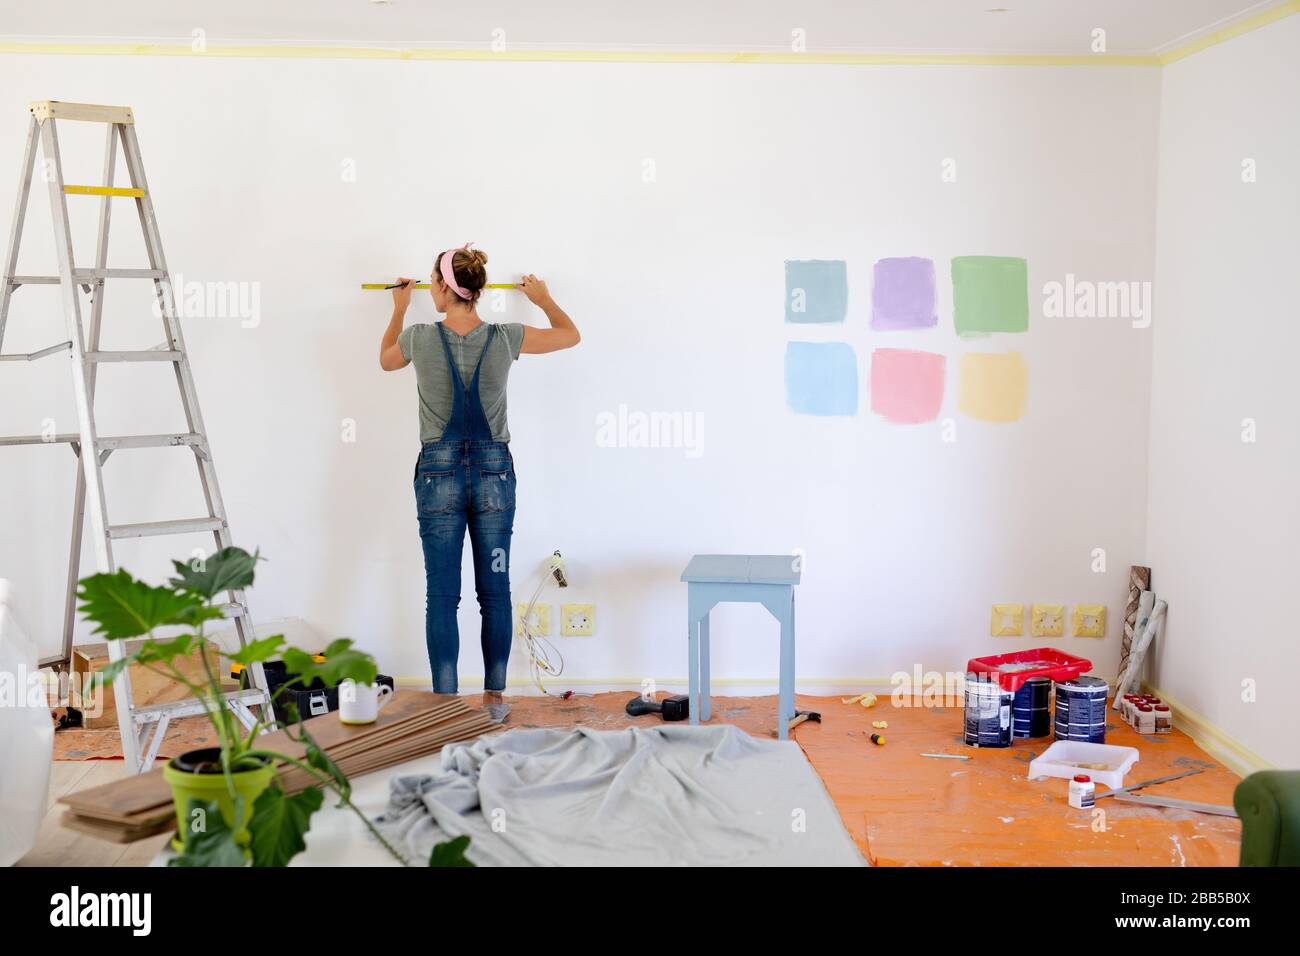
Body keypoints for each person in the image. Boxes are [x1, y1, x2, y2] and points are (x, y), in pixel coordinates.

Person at [379, 244, 580, 719]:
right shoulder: (507, 336)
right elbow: (570, 336)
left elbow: (386, 360)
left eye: (432, 282)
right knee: (495, 590)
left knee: (442, 594)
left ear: (447, 287)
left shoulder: (419, 337)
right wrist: (544, 299)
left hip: (438, 475)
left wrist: (398, 310)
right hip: (494, 475)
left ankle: (446, 707)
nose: (430, 289)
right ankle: (494, 701)